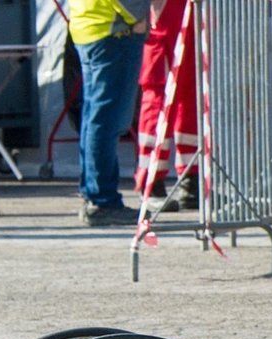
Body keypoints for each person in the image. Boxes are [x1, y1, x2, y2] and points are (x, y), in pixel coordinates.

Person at [69, 0, 148, 226]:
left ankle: (94, 194)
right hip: (114, 31)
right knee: (105, 120)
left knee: (94, 119)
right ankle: (102, 199)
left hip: (90, 27)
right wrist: (138, 15)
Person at [134, 0, 199, 211]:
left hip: (191, 10)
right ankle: (151, 183)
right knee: (158, 96)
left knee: (191, 95)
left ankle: (191, 178)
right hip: (163, 14)